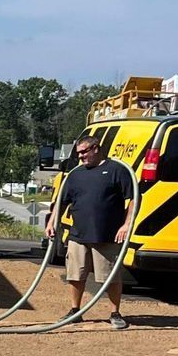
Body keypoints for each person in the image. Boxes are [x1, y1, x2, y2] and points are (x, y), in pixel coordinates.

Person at [46, 133, 136, 329]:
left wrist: (126, 224)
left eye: (84, 152)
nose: (80, 157)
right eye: (78, 153)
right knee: (75, 274)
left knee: (110, 276)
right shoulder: (75, 175)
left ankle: (115, 313)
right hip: (78, 234)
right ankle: (74, 311)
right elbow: (61, 202)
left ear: (96, 148)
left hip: (106, 235)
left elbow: (134, 198)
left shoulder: (116, 170)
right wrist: (52, 222)